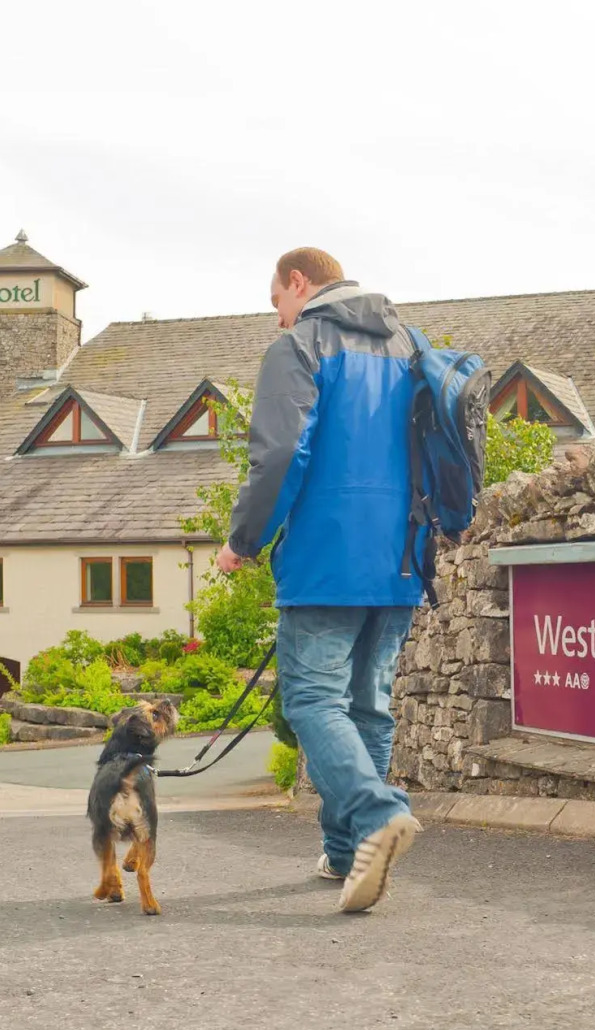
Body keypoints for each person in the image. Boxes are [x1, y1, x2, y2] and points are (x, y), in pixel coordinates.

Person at [218, 247, 423, 913]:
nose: (277, 317)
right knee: (367, 704)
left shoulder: (301, 345)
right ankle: (344, 854)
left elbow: (281, 453)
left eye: (275, 300)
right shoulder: (410, 345)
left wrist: (243, 540)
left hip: (327, 556)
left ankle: (376, 816)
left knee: (311, 701)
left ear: (298, 284)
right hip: (401, 559)